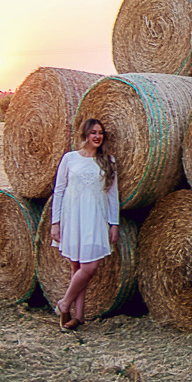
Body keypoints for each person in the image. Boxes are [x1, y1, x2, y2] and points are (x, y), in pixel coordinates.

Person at [51, 118, 120, 331]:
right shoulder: (69, 159)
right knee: (76, 267)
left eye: (100, 133)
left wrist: (114, 223)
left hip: (95, 217)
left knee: (89, 266)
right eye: (93, 132)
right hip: (73, 216)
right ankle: (78, 316)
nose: (97, 136)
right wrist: (55, 222)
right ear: (85, 135)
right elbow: (59, 191)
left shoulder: (108, 161)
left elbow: (112, 194)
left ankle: (64, 303)